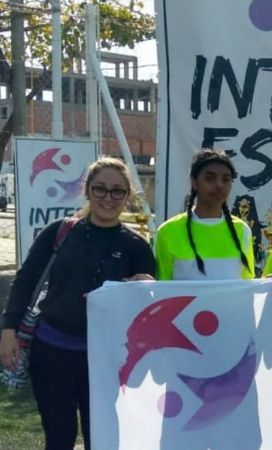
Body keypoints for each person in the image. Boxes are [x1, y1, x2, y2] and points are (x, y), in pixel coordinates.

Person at [0, 158, 156, 450]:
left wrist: (144, 287)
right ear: (87, 190)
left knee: (102, 439)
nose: (108, 198)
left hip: (106, 359)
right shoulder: (60, 232)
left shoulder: (136, 246)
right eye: (100, 189)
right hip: (52, 353)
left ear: (127, 196)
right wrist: (8, 329)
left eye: (117, 191)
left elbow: (147, 309)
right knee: (59, 437)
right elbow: (26, 280)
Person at [155, 149, 254, 280]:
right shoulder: (168, 231)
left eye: (226, 180)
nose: (219, 185)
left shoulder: (242, 230)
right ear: (194, 182)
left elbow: (248, 286)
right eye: (210, 178)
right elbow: (163, 288)